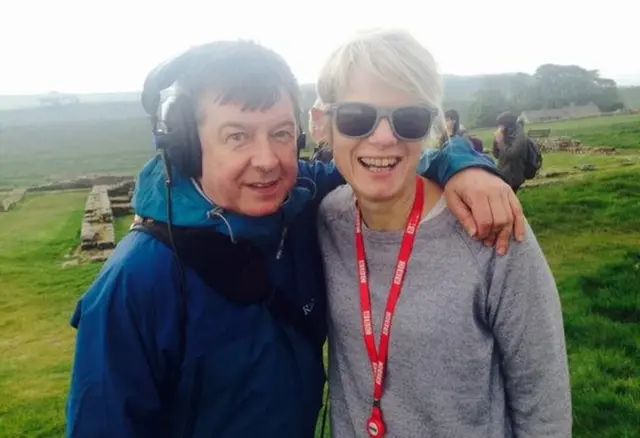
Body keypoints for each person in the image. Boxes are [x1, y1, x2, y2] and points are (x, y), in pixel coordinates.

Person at [66, 40, 525, 438]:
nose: (266, 160)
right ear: (186, 145)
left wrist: (466, 167)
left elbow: (386, 163)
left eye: (281, 134)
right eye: (237, 136)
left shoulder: (301, 202)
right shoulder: (134, 284)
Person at [313, 29, 571, 437]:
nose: (382, 138)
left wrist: (467, 166)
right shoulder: (325, 221)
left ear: (431, 129)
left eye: (409, 120)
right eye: (356, 116)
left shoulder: (489, 229)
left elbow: (545, 410)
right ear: (322, 125)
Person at [492, 111, 531, 192]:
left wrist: (501, 143)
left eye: (501, 125)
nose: (499, 127)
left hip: (514, 175)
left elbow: (512, 154)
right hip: (503, 172)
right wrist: (496, 141)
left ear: (508, 125)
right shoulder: (505, 134)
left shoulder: (519, 136)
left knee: (508, 198)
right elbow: (496, 154)